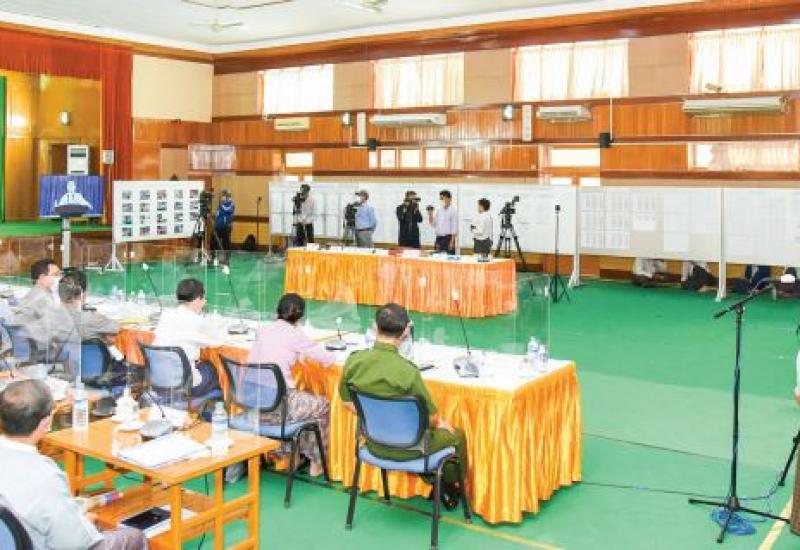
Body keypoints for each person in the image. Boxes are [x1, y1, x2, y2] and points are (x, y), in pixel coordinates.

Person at [339, 303, 468, 510]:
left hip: (372, 443)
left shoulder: (354, 362)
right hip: (411, 449)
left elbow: (347, 402)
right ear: (406, 331)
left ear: (374, 327)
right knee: (457, 435)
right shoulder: (407, 371)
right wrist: (440, 423)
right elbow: (432, 417)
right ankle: (449, 486)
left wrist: (378, 417)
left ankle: (437, 482)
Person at [0, 379, 147, 549]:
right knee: (134, 537)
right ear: (46, 422)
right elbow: (74, 543)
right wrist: (83, 527)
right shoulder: (44, 476)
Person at [246, 293, 336, 477]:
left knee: (302, 405)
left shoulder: (263, 330)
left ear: (277, 311)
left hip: (254, 403)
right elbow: (327, 358)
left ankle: (290, 456)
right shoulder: (295, 334)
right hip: (279, 407)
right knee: (322, 405)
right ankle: (317, 462)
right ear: (301, 316)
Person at [153, 278, 224, 398]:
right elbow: (218, 341)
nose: (204, 302)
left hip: (159, 380)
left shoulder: (166, 315)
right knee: (213, 369)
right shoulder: (197, 321)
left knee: (200, 366)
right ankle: (216, 408)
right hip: (185, 385)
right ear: (197, 299)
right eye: (204, 299)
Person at [12, 258, 61, 325]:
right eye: (55, 274)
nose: (60, 278)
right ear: (42, 278)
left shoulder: (44, 294)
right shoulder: (39, 299)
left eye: (60, 274)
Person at [428, 190, 458, 255]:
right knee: (436, 257)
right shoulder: (439, 210)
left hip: (448, 239)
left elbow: (454, 228)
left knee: (448, 257)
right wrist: (430, 215)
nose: (441, 200)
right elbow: (433, 224)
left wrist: (452, 242)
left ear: (449, 199)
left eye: (442, 198)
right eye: (440, 199)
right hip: (438, 238)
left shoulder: (453, 211)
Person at [213, 189, 235, 265]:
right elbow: (218, 214)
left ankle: (226, 259)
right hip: (217, 226)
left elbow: (227, 210)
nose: (221, 198)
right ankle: (215, 258)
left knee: (226, 244)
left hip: (226, 227)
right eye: (221, 196)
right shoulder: (221, 204)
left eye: (223, 196)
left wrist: (221, 204)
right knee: (215, 242)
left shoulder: (230, 204)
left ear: (227, 197)